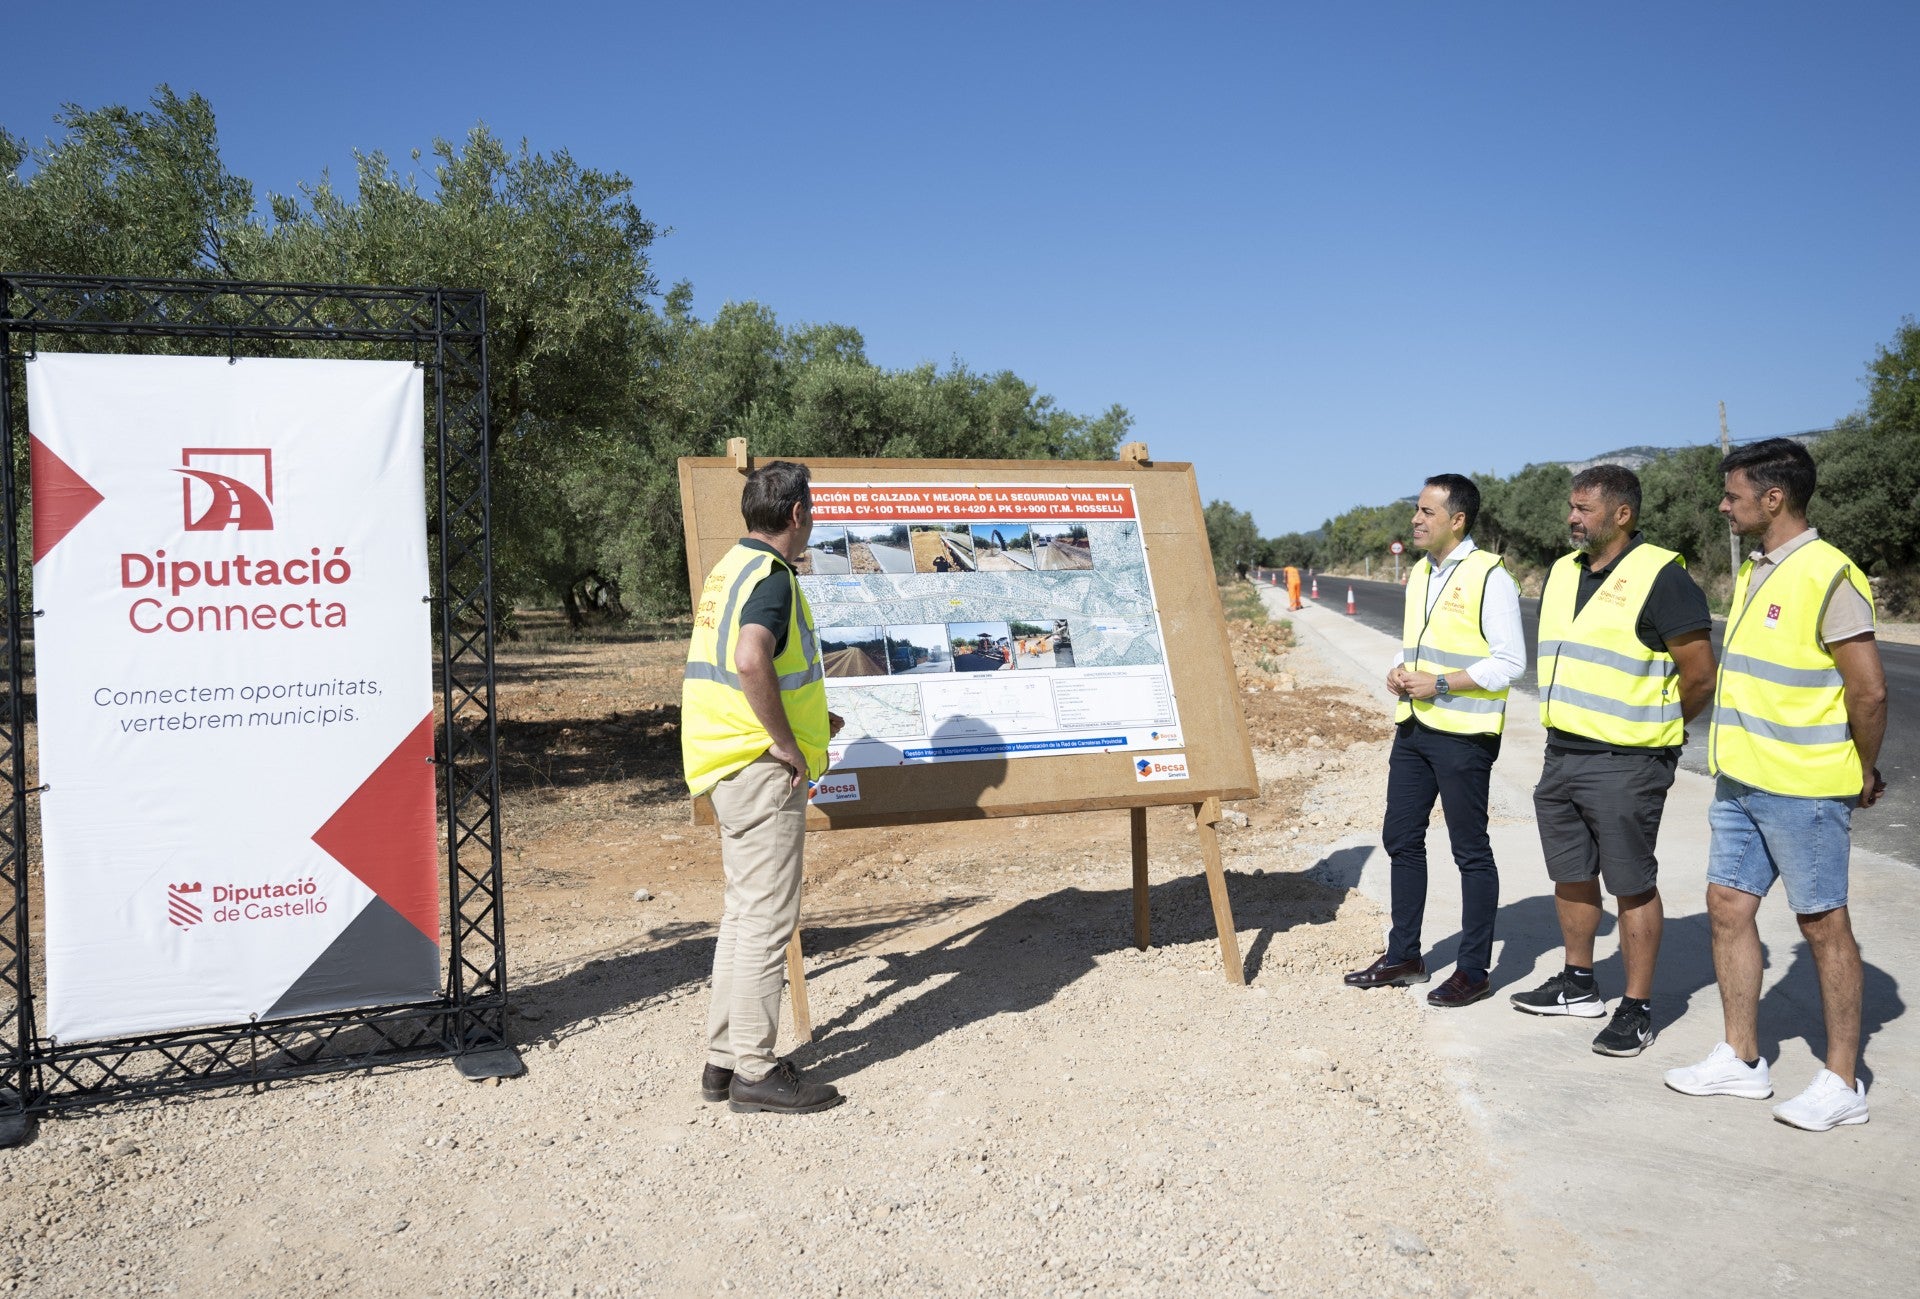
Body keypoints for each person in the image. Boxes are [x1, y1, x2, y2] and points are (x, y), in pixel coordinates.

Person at [1665, 439, 1889, 1131]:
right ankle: (1740, 1058)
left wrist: (1859, 770)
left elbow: (1870, 691)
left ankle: (1842, 1080)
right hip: (1742, 780)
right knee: (1727, 905)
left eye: (1733, 495)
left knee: (1822, 924)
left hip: (1804, 787)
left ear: (1774, 498)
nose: (1722, 505)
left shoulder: (1828, 573)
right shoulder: (1760, 568)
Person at [1509, 466, 1715, 1056]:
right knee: (1571, 872)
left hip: (1628, 760)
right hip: (1563, 751)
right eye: (1571, 508)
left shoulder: (1663, 577)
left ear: (1622, 514)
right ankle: (1579, 983)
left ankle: (1637, 1008)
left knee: (1630, 883)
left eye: (1584, 509)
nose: (1573, 518)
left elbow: (1699, 675)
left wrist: (1660, 730)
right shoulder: (1562, 572)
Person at [682, 460, 846, 1115]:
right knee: (768, 920)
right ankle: (755, 1067)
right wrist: (785, 742)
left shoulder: (731, 569)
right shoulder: (774, 578)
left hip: (726, 762)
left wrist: (811, 722)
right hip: (760, 768)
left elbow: (750, 665)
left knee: (745, 914)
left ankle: (723, 1060)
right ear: (798, 514)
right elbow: (752, 658)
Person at [1344, 474, 1526, 1007]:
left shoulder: (1490, 575)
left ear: (1458, 519)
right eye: (1416, 511)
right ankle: (1406, 956)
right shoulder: (1422, 572)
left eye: (1426, 512)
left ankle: (1474, 970)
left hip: (1465, 736)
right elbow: (1419, 647)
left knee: (1470, 852)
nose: (1416, 520)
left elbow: (1510, 662)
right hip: (1415, 728)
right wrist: (1398, 670)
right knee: (1401, 839)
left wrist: (1443, 683)